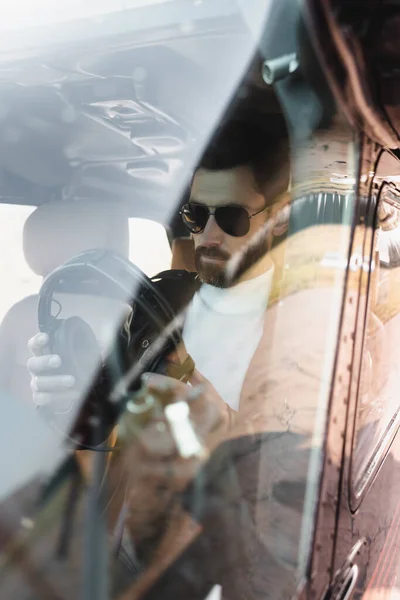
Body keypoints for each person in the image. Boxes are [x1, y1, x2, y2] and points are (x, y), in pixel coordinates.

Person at [26, 113, 294, 599]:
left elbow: (305, 494)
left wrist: (224, 435)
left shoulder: (302, 328)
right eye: (196, 216)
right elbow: (102, 435)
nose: (207, 237)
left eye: (230, 218)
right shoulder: (159, 301)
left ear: (278, 219)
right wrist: (63, 403)